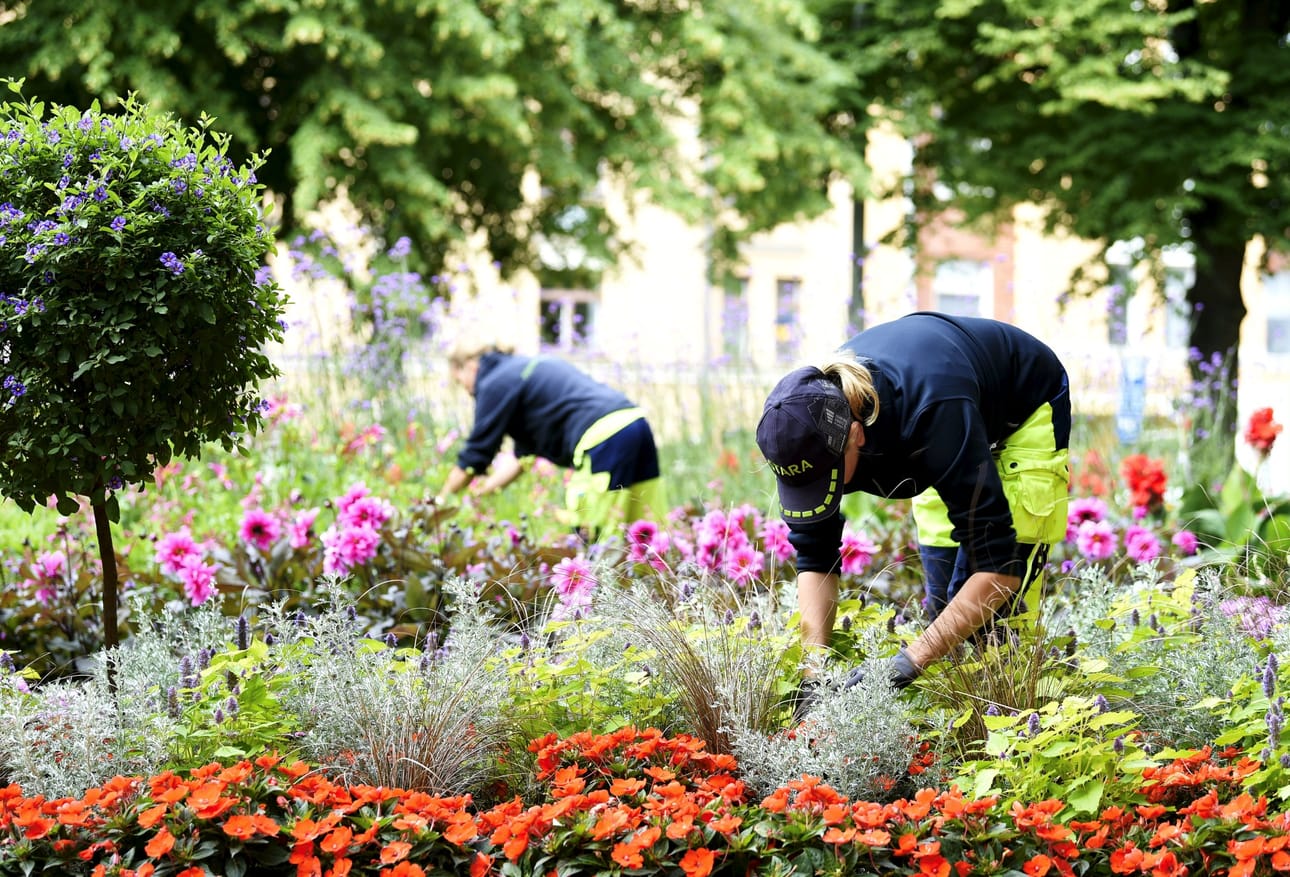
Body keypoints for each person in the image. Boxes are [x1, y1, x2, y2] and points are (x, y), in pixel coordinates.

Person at [755, 312, 1071, 690]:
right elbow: (814, 553)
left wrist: (908, 663)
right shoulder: (805, 428)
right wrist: (812, 676)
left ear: (856, 434)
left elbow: (998, 566)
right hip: (941, 434)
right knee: (945, 613)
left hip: (1019, 409)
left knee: (995, 628)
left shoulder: (931, 416)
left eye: (829, 476)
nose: (827, 488)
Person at [437, 342, 666, 538]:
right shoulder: (524, 369)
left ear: (469, 365)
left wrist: (441, 501)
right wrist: (482, 494)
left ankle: (606, 589)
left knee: (592, 533)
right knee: (646, 528)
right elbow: (521, 459)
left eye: (460, 381)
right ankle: (657, 587)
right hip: (635, 423)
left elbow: (474, 456)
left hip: (602, 437)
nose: (467, 390)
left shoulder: (494, 383)